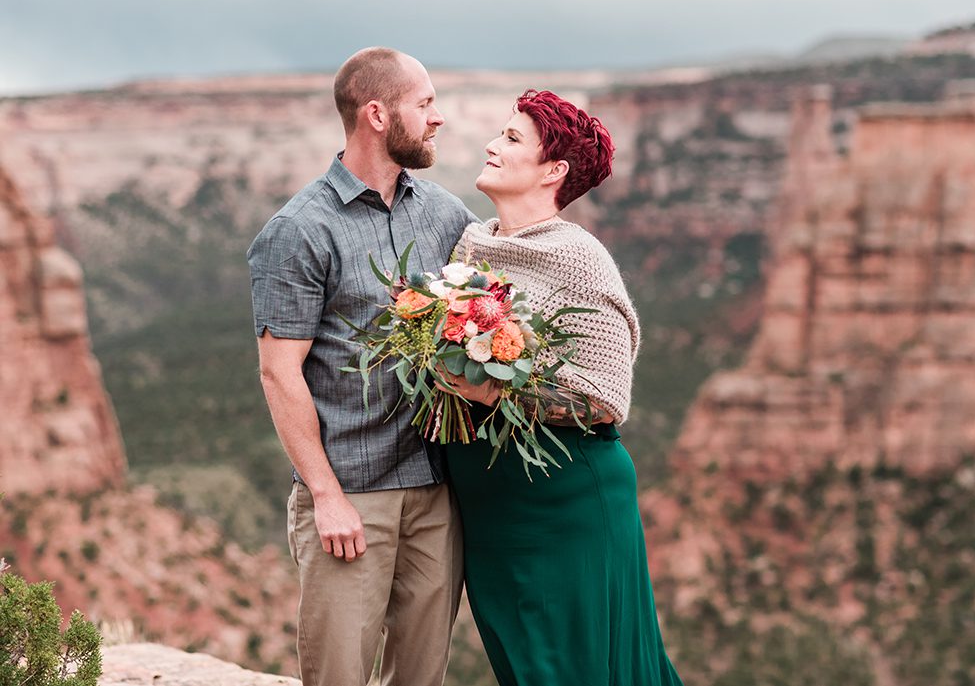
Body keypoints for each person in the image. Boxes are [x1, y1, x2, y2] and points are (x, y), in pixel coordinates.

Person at [247, 47, 475, 686]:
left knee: (420, 677)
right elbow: (278, 374)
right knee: (340, 676)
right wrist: (325, 495)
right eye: (425, 104)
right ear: (377, 114)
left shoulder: (444, 213)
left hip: (435, 491)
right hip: (351, 498)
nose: (438, 118)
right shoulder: (298, 230)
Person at [444, 89, 684, 686]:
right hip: (492, 502)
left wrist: (493, 392)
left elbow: (605, 395)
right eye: (500, 134)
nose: (492, 146)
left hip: (565, 499)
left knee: (572, 669)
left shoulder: (579, 257)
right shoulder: (471, 244)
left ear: (553, 171)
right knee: (521, 663)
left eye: (512, 139)